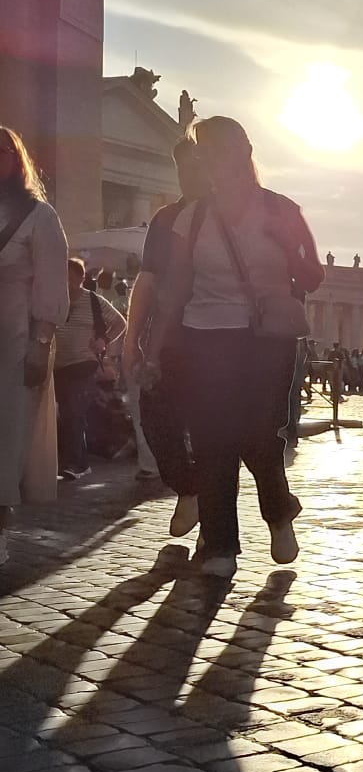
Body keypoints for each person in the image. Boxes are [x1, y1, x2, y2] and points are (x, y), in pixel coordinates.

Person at [159, 113, 321, 577]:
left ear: (243, 154)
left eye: (216, 152)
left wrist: (288, 250)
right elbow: (175, 288)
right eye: (202, 154)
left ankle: (278, 511)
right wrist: (153, 347)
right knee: (212, 440)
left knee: (258, 434)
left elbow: (313, 275)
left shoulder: (282, 209)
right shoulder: (190, 218)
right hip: (204, 335)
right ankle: (222, 547)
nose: (210, 162)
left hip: (265, 337)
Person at [123, 134, 203, 537]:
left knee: (212, 431)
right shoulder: (165, 218)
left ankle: (217, 521)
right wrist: (132, 336)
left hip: (216, 337)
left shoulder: (228, 216)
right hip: (168, 338)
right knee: (155, 417)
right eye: (183, 168)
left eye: (196, 166)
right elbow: (148, 279)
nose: (188, 175)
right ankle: (188, 489)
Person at [0, 128, 69, 567]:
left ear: (16, 158)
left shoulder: (39, 216)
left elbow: (51, 281)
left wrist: (40, 343)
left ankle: (0, 524)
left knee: (7, 433)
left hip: (14, 337)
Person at [54, 256, 124, 479]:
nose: (65, 282)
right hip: (56, 365)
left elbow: (120, 322)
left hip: (83, 363)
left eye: (69, 277)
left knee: (74, 411)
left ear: (80, 278)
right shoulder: (54, 300)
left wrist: (104, 341)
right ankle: (74, 460)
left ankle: (76, 463)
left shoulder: (94, 301)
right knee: (64, 414)